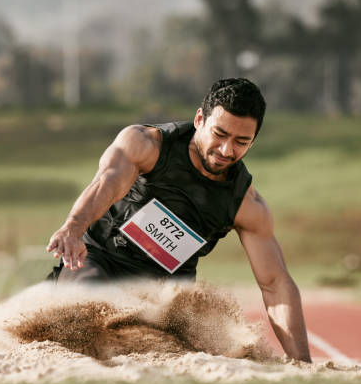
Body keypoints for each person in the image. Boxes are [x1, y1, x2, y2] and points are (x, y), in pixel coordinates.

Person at [46, 78, 312, 362]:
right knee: (88, 306)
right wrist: (73, 227)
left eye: (241, 142)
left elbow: (275, 284)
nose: (226, 150)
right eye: (219, 134)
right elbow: (108, 182)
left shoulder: (245, 204)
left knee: (172, 340)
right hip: (100, 262)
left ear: (253, 140)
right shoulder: (146, 144)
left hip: (163, 294)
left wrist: (304, 363)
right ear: (200, 119)